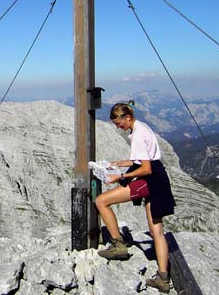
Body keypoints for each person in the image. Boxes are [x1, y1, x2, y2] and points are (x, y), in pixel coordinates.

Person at [95, 101, 176, 294]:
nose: (118, 127)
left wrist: (120, 176)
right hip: (158, 180)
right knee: (156, 231)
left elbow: (145, 168)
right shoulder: (141, 127)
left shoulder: (137, 135)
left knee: (102, 200)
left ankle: (118, 245)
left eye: (119, 123)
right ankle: (163, 278)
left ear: (127, 118)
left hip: (149, 180)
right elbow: (139, 160)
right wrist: (116, 163)